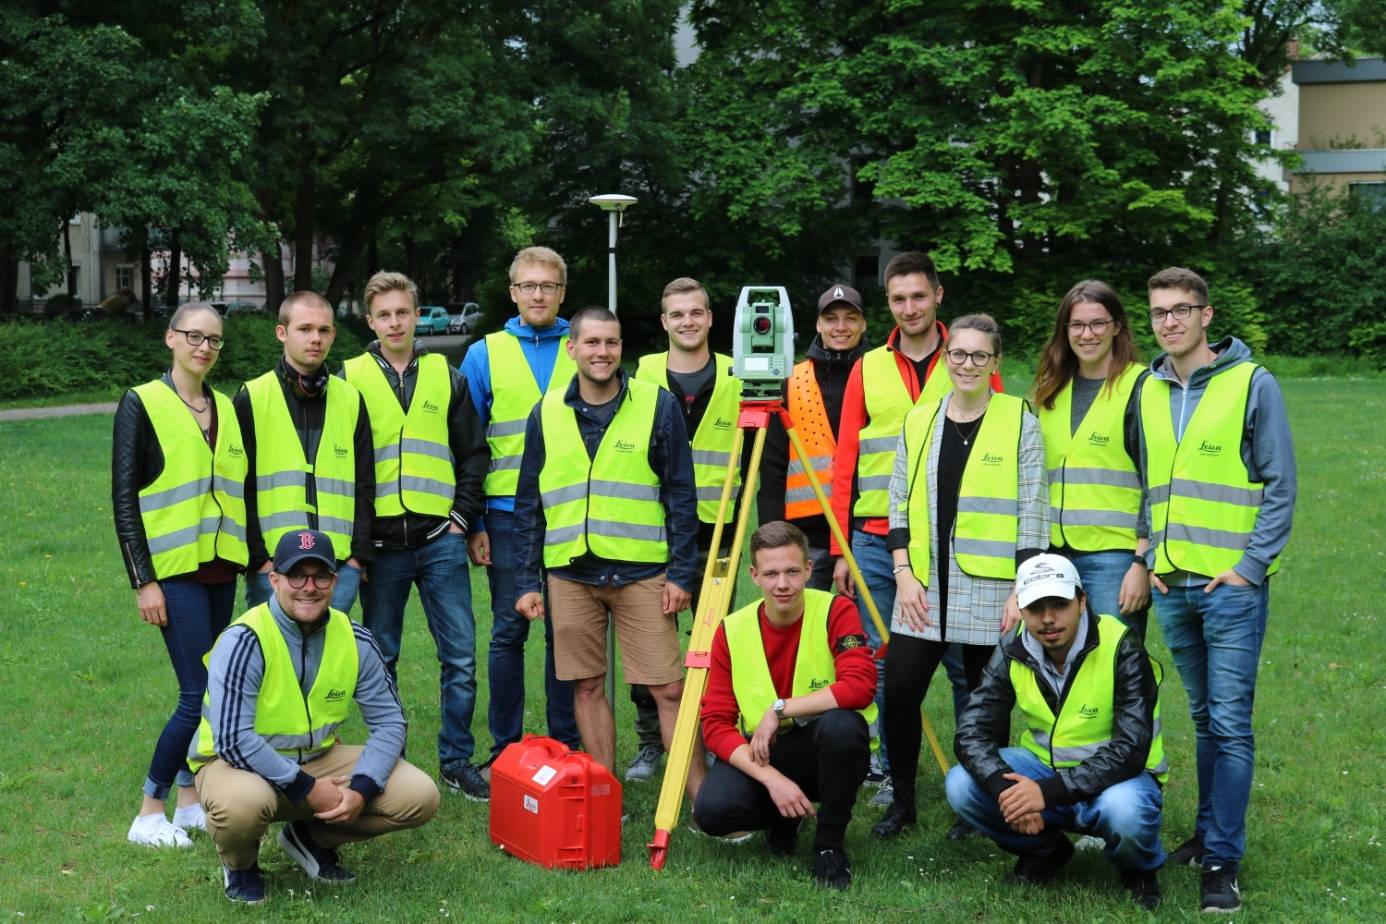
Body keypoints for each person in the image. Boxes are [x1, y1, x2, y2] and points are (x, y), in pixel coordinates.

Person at [1138, 267, 1296, 913]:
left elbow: (1280, 484)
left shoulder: (1251, 384)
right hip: (1173, 583)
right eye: (1157, 312)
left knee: (1230, 725)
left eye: (1180, 310)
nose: (1169, 322)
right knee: (1203, 719)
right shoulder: (1147, 389)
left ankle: (1222, 859)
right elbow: (1151, 480)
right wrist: (1150, 550)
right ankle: (1205, 834)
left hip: (1230, 586)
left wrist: (1251, 566)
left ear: (1206, 315)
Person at [511, 306, 706, 804]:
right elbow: (529, 504)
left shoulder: (657, 405)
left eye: (612, 343)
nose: (603, 352)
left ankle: (703, 798)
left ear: (622, 348)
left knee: (670, 690)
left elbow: (681, 496)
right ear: (571, 348)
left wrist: (682, 574)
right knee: (586, 688)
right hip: (571, 574)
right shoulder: (547, 411)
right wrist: (526, 583)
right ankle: (603, 798)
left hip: (643, 574)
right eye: (592, 343)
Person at [829, 252, 1001, 811]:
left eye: (918, 296)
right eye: (899, 299)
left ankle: (972, 774)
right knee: (879, 663)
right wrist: (840, 549)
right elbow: (845, 458)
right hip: (877, 542)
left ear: (938, 296)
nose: (909, 308)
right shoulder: (866, 367)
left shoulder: (969, 356)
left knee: (963, 667)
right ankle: (881, 770)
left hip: (955, 546)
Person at [190, 529, 439, 905]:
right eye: (296, 575)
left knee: (421, 795)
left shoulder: (355, 638)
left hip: (318, 760)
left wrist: (362, 787)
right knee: (241, 806)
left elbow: (390, 723)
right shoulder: (244, 639)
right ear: (274, 580)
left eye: (321, 575)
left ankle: (308, 839)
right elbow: (233, 739)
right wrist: (307, 788)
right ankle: (240, 865)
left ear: (334, 582)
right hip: (235, 765)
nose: (310, 587)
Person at [875, 313, 1048, 839]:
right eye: (958, 354)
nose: (966, 364)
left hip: (993, 589)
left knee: (984, 703)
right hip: (923, 587)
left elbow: (1033, 510)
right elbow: (898, 504)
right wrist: (904, 574)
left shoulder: (1020, 419)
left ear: (995, 363)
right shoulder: (920, 420)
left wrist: (1024, 590)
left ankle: (976, 808)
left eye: (979, 356)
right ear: (946, 357)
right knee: (900, 691)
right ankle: (902, 800)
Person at [945, 553, 1167, 910]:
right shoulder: (1012, 647)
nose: (1047, 619)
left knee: (1125, 812)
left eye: (1059, 605)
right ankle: (1046, 851)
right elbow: (971, 730)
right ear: (1021, 608)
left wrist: (1045, 793)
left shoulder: (1122, 645)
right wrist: (1007, 791)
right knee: (960, 785)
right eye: (1035, 608)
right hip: (1045, 768)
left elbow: (1130, 749)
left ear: (1082, 602)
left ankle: (1138, 870)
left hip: (1122, 778)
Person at [341, 271, 490, 800]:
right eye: (384, 315)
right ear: (371, 321)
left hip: (438, 539)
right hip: (379, 548)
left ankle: (456, 760)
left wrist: (462, 517)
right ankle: (393, 762)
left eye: (403, 312)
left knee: (461, 658)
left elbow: (474, 452)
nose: (395, 322)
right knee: (382, 660)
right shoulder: (349, 377)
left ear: (416, 314)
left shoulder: (445, 375)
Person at [113, 302, 248, 847]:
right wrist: (143, 580)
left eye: (214, 340)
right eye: (194, 336)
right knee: (197, 694)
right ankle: (149, 811)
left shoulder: (226, 407)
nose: (204, 347)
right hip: (173, 572)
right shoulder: (141, 403)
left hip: (221, 568)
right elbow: (123, 499)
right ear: (171, 338)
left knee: (213, 692)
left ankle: (192, 800)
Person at [693, 521, 877, 890]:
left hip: (821, 745)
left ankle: (829, 845)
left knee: (844, 726)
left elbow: (860, 686)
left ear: (809, 570)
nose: (783, 584)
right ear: (754, 575)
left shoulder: (835, 610)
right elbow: (715, 723)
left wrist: (780, 708)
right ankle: (783, 818)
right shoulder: (731, 629)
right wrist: (771, 779)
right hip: (763, 754)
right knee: (712, 811)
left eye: (793, 571)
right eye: (772, 573)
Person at [460, 246, 580, 765]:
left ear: (561, 292)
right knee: (509, 630)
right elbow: (469, 444)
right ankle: (505, 748)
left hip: (572, 513)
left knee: (567, 631)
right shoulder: (484, 353)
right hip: (507, 517)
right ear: (512, 292)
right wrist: (477, 521)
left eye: (548, 286)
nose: (538, 294)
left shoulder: (585, 345)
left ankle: (567, 744)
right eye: (528, 286)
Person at [627, 276, 744, 783]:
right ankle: (652, 742)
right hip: (654, 529)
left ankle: (719, 738)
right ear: (664, 322)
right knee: (652, 644)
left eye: (696, 312)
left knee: (718, 641)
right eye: (677, 315)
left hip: (718, 531)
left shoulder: (740, 374)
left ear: (710, 318)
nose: (687, 322)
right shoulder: (644, 373)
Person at [235, 291, 373, 613]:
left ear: (333, 335)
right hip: (273, 568)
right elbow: (239, 487)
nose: (316, 338)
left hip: (337, 566)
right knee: (273, 660)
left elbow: (366, 482)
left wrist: (357, 557)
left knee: (330, 661)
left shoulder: (351, 399)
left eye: (324, 330)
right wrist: (258, 559)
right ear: (282, 333)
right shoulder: (251, 398)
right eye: (305, 329)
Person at [1032, 281, 1151, 636]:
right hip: (1053, 554)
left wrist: (1142, 562)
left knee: (1116, 664)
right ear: (1065, 330)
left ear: (1116, 327)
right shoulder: (1051, 390)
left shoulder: (1141, 387)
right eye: (1077, 325)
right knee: (1058, 667)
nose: (1087, 334)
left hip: (1116, 556)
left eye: (1098, 323)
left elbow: (1157, 483)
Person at [757, 283, 870, 591]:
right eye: (831, 319)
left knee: (862, 635)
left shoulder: (880, 376)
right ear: (819, 324)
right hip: (806, 536)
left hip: (867, 532)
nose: (841, 327)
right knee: (802, 630)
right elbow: (772, 468)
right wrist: (772, 538)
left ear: (863, 323)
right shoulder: (792, 382)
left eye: (850, 318)